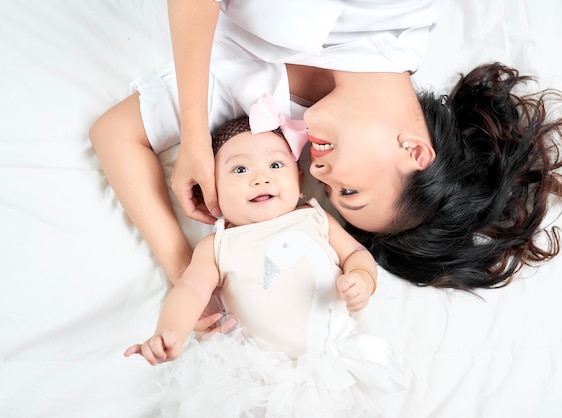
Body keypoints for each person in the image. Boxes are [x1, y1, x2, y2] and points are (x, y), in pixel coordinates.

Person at [89, 0, 562, 296]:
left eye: (331, 192)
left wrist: (189, 273)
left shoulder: (263, 110)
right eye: (350, 189)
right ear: (414, 151)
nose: (318, 173)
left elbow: (114, 135)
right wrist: (194, 133)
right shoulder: (400, 16)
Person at [123, 113, 402, 417]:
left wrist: (361, 277)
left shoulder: (315, 218)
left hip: (334, 361)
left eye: (275, 165)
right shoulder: (216, 245)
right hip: (258, 375)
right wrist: (170, 332)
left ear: (298, 180)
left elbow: (357, 253)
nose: (260, 178)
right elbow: (190, 289)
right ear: (211, 190)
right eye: (240, 169)